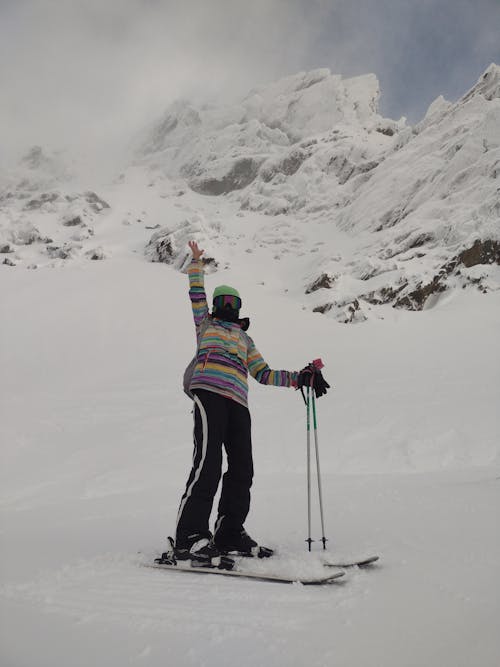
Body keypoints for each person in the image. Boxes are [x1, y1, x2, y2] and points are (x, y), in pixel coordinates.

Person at [173, 240, 327, 564]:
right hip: (209, 393)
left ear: (240, 307)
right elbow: (196, 294)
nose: (228, 305)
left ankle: (229, 533)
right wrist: (197, 265)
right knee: (208, 463)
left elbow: (263, 372)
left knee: (243, 468)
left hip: (238, 403)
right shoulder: (206, 325)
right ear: (216, 305)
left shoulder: (245, 339)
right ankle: (190, 536)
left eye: (233, 301)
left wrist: (301, 377)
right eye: (223, 301)